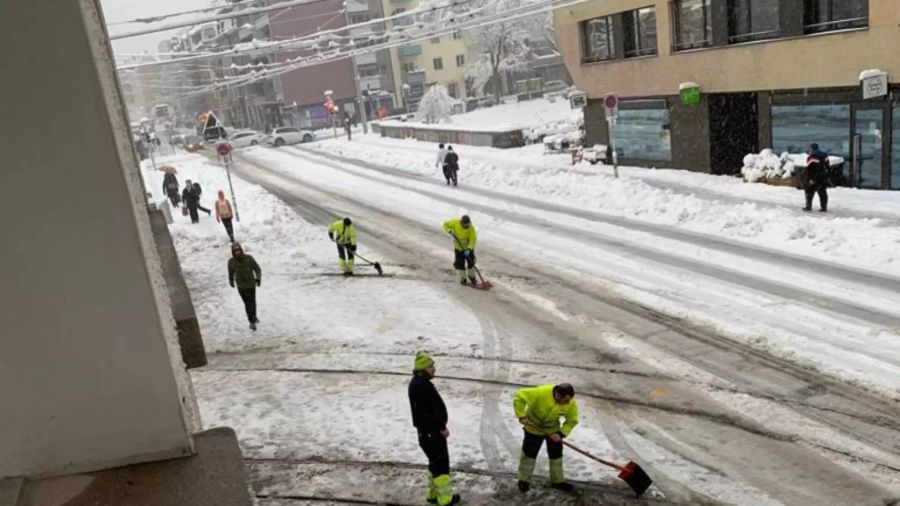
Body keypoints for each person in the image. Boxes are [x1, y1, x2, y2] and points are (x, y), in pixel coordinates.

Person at [408, 352, 461, 506]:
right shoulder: (423, 386)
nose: (434, 369)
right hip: (433, 433)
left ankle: (432, 495)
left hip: (426, 433)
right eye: (431, 366)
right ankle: (445, 499)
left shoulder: (416, 383)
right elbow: (429, 411)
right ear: (424, 368)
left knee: (434, 464)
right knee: (441, 466)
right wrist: (442, 428)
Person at [513, 383, 579, 494]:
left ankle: (558, 480)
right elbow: (519, 396)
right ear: (558, 395)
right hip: (533, 427)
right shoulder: (540, 393)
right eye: (565, 401)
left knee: (556, 456)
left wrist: (560, 434)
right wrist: (521, 415)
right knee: (529, 454)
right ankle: (523, 480)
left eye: (569, 400)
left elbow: (572, 420)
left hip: (553, 429)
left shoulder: (570, 403)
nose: (568, 403)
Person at [227, 242, 261, 330]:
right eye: (235, 251)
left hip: (250, 284)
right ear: (233, 252)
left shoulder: (249, 258)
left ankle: (254, 317)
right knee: (247, 303)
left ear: (241, 250)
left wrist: (258, 278)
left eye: (238, 250)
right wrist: (231, 281)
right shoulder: (231, 262)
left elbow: (257, 269)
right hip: (241, 287)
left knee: (253, 302)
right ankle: (251, 321)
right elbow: (230, 273)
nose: (237, 253)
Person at [442, 215, 477, 285]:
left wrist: (469, 248)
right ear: (462, 222)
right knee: (460, 264)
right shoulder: (455, 222)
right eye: (466, 224)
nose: (467, 225)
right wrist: (449, 230)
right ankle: (463, 278)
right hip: (458, 247)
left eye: (468, 224)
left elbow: (473, 238)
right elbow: (445, 224)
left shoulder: (471, 228)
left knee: (471, 263)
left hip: (467, 248)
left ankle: (472, 277)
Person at [804, 143, 829, 213]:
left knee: (809, 191)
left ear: (811, 149)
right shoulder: (825, 155)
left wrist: (810, 179)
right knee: (822, 192)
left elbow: (809, 169)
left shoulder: (811, 157)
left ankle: (808, 206)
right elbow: (828, 166)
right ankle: (824, 207)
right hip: (823, 177)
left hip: (814, 177)